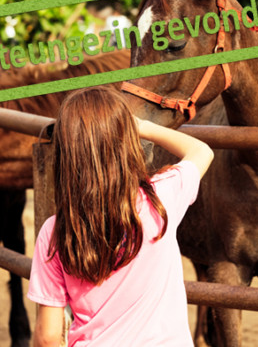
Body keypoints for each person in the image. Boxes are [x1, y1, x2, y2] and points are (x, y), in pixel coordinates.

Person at [27, 87, 214, 346]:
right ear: (126, 143)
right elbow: (201, 151)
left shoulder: (54, 231)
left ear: (66, 154)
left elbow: (47, 337)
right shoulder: (161, 197)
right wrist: (143, 126)